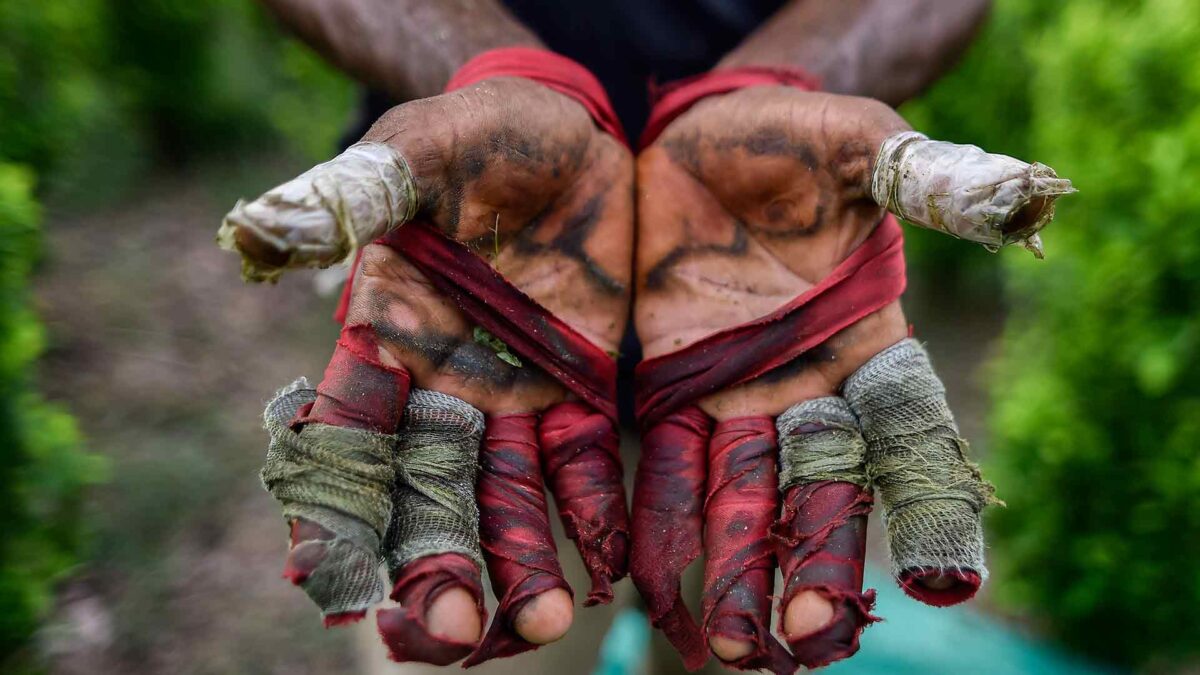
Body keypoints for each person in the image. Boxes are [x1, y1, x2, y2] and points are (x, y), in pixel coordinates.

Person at [217, 2, 1072, 672]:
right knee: (464, 627)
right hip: (475, 326)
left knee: (753, 637)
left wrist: (772, 92)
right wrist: (497, 72)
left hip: (770, 345)